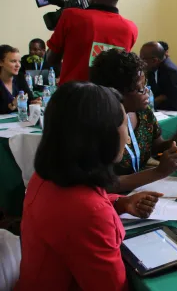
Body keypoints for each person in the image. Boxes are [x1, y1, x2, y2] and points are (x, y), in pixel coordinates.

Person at [16, 82, 163, 291]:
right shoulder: (88, 212)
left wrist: (122, 203)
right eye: (123, 125)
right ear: (102, 135)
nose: (128, 138)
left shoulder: (47, 176)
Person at [90, 49, 177, 192]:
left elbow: (155, 148)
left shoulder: (143, 113)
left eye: (145, 86)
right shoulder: (98, 125)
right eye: (139, 89)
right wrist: (158, 172)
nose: (146, 93)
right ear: (115, 93)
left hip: (142, 190)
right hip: (112, 199)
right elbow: (105, 184)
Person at [46, 0, 138, 85]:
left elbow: (51, 59)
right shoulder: (131, 29)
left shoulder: (71, 16)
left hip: (73, 97)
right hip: (110, 100)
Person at [140, 42, 177, 111]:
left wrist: (157, 100)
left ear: (154, 60)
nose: (141, 62)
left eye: (142, 59)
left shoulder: (170, 71)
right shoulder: (154, 69)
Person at [0, 45, 41, 114]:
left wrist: (35, 102)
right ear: (1, 62)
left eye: (19, 61)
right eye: (13, 61)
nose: (18, 65)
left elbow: (30, 100)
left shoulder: (20, 77)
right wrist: (12, 105)